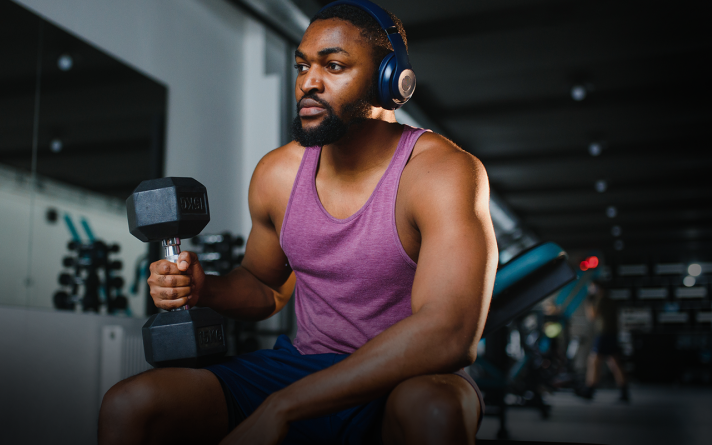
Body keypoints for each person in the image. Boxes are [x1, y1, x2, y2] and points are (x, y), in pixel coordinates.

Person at [99, 2, 497, 444]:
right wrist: (203, 287)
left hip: (407, 373)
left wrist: (283, 406)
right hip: (303, 363)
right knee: (131, 406)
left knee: (435, 410)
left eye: (333, 65)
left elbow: (450, 332)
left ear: (391, 81)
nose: (308, 81)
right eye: (302, 65)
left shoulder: (441, 172)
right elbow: (266, 287)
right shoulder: (278, 174)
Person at [575, 283, 629, 402]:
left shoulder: (601, 300)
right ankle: (624, 391)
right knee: (614, 363)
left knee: (594, 361)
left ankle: (590, 390)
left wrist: (588, 302)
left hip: (603, 335)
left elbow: (592, 316)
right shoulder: (610, 300)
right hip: (612, 334)